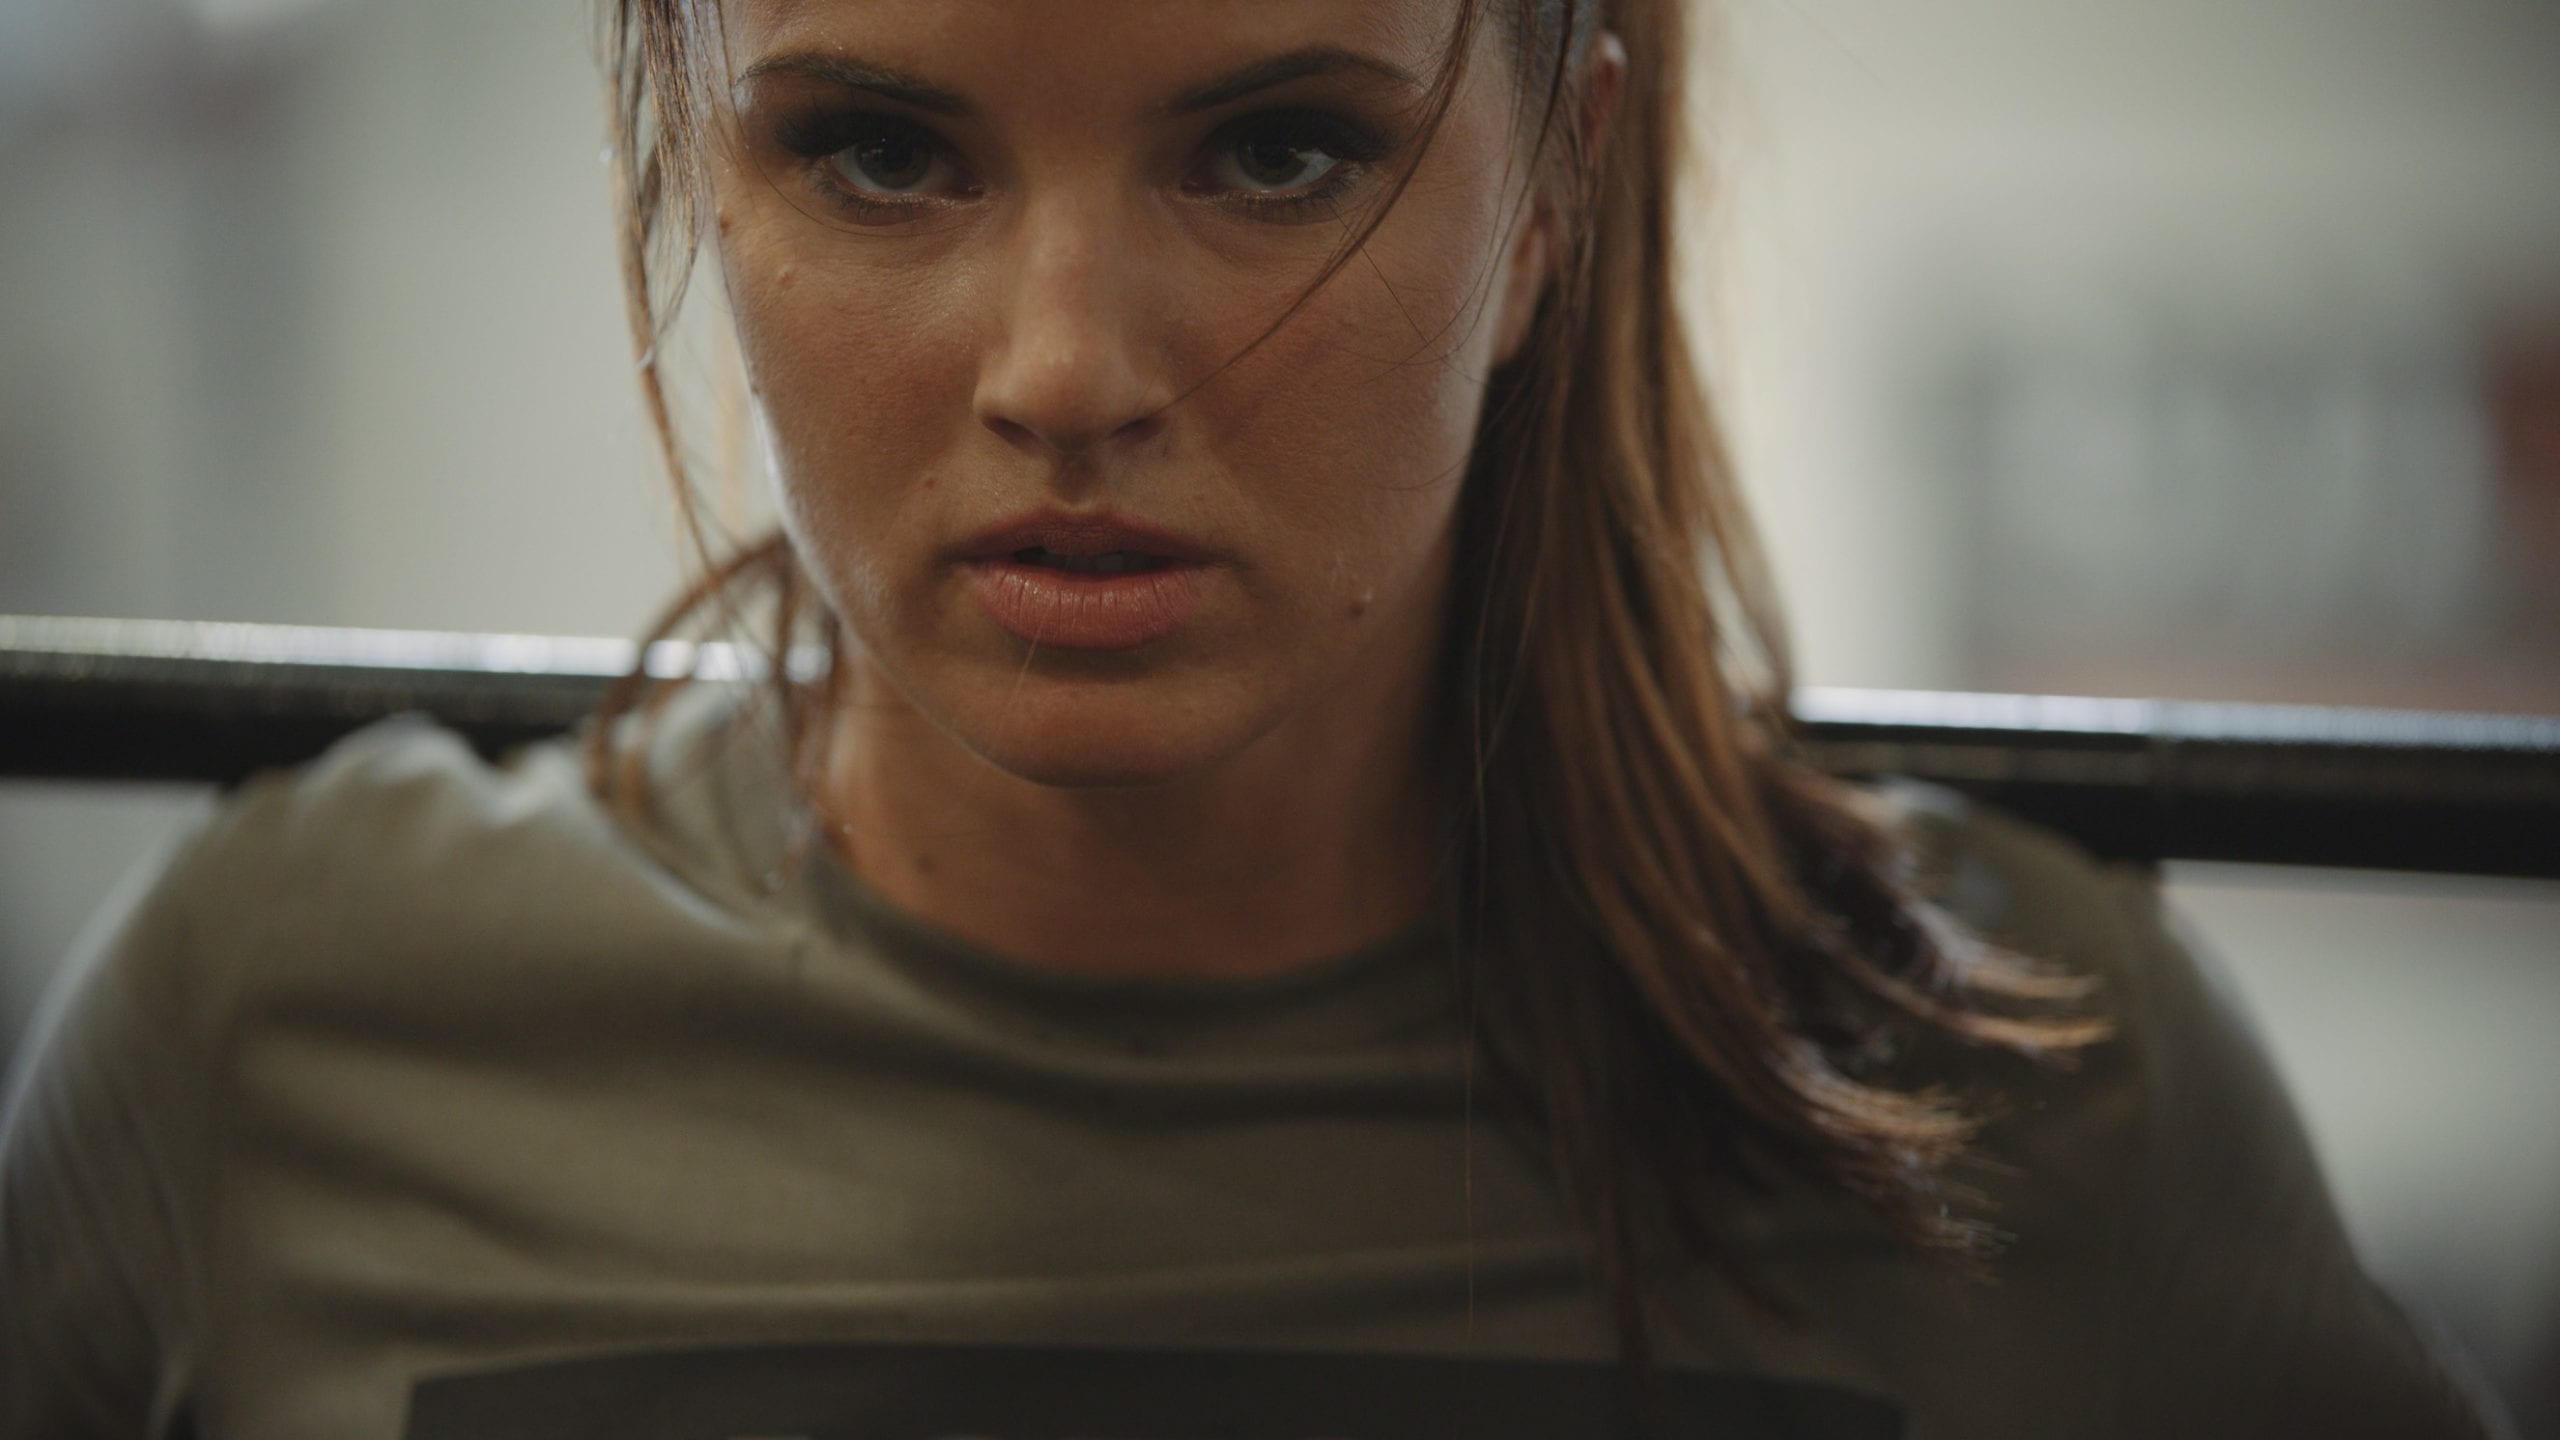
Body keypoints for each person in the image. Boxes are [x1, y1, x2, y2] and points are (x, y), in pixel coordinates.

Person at [0, 0, 2516, 1435]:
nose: (1067, 366)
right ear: (690, 162)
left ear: (1549, 192)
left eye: (1279, 149)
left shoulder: (2006, 1096)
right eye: (878, 153)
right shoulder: (286, 1034)